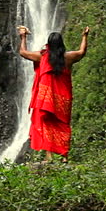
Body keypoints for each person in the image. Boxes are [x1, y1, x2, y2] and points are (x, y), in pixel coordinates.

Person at [17, 25, 89, 162]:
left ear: (48, 44)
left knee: (47, 124)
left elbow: (23, 52)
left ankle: (49, 156)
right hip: (64, 99)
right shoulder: (68, 57)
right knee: (62, 125)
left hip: (46, 99)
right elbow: (82, 52)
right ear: (62, 44)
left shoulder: (41, 57)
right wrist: (85, 36)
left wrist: (23, 36)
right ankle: (64, 156)